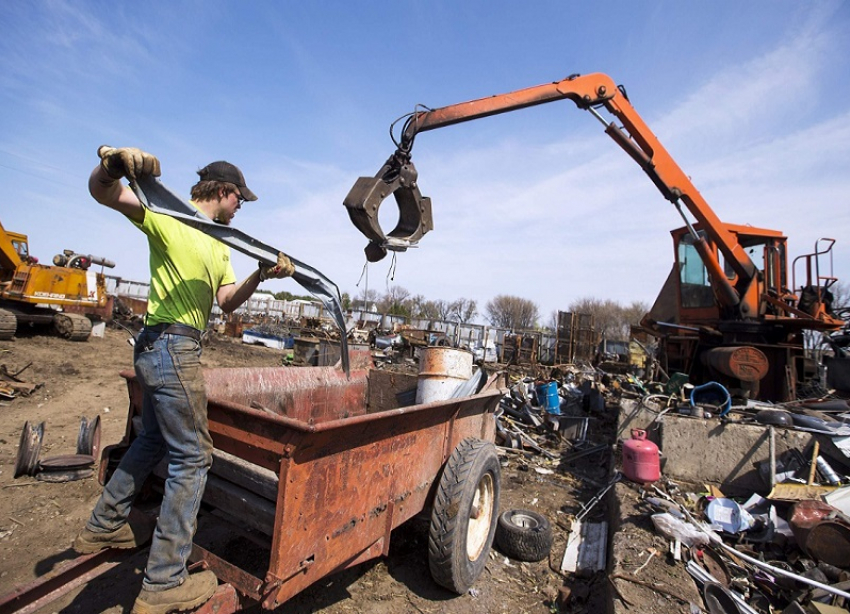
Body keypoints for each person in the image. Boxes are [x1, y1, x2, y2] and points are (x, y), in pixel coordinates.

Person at [74, 146, 294, 614]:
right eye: (241, 201)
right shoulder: (169, 215)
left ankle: (105, 521)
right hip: (170, 346)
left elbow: (228, 302)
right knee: (193, 457)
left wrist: (260, 271)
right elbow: (104, 192)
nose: (241, 209)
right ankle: (164, 580)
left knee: (153, 437)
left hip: (163, 350)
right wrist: (111, 167)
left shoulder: (217, 242)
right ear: (223, 192)